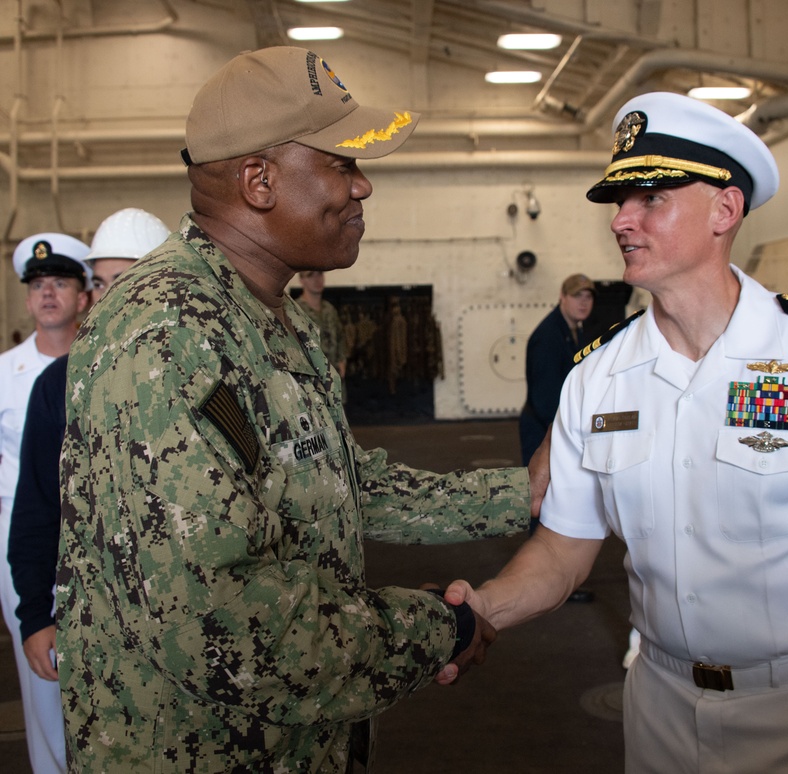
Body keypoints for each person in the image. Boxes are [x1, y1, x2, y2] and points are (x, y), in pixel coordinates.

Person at [440, 92, 788, 774]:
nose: (622, 220)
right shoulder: (598, 376)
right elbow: (564, 549)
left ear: (725, 210)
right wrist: (487, 606)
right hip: (659, 711)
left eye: (651, 198)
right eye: (618, 201)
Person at [56, 46, 542, 773]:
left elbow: (335, 482)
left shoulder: (272, 317)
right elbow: (226, 626)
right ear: (259, 182)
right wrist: (439, 627)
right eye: (342, 164)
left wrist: (519, 495)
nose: (363, 185)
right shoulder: (164, 337)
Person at [9, 207, 170, 695]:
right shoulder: (59, 382)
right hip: (100, 620)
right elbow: (37, 507)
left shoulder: (209, 370)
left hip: (199, 618)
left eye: (123, 279)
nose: (106, 295)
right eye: (100, 283)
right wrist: (35, 612)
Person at [0, 233, 90, 774]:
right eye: (38, 285)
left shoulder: (100, 365)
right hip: (20, 536)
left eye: (60, 282)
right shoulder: (3, 374)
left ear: (84, 296)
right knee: (41, 674)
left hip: (89, 538)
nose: (48, 294)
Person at [519, 273, 595, 467]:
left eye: (588, 297)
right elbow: (545, 399)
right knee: (542, 495)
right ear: (562, 296)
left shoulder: (574, 330)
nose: (583, 303)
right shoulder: (548, 337)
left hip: (556, 427)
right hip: (544, 430)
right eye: (577, 296)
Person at [297, 269, 348, 378]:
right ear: (302, 280)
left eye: (319, 274)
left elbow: (340, 337)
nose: (317, 279)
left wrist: (342, 360)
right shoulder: (295, 310)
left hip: (334, 377)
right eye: (310, 275)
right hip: (310, 379)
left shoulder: (329, 310)